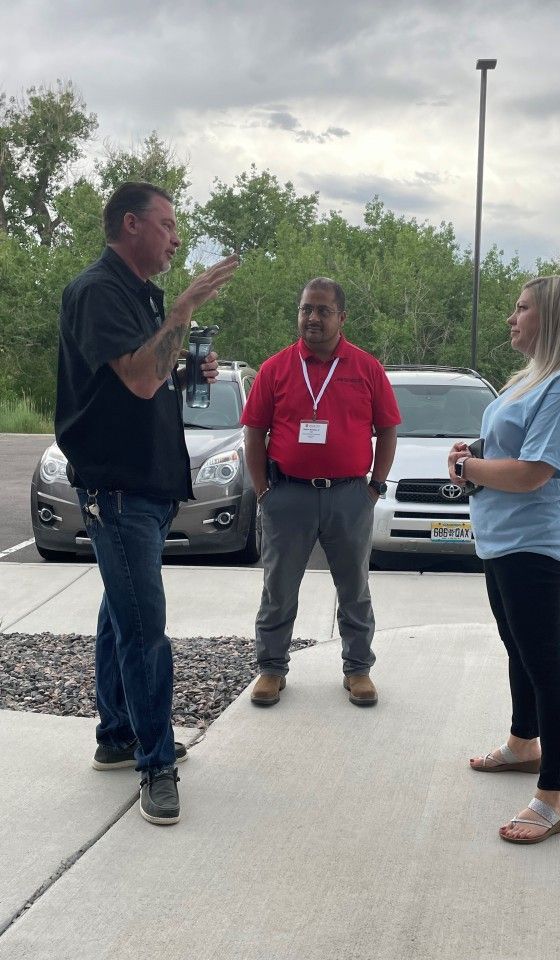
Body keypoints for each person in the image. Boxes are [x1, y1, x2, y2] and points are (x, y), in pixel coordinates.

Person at [55, 181, 237, 825]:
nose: (176, 238)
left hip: (149, 485)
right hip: (118, 489)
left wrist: (188, 371)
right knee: (143, 632)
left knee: (119, 612)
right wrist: (186, 305)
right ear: (131, 224)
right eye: (166, 225)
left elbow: (144, 375)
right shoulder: (98, 289)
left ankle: (116, 736)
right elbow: (135, 377)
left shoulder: (136, 294)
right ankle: (155, 766)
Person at [448, 275, 560, 845]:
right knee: (518, 647)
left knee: (545, 663)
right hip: (502, 538)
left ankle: (554, 794)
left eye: (521, 308)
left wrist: (470, 470)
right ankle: (523, 743)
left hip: (535, 544)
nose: (511, 318)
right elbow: (510, 451)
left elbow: (535, 472)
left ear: (553, 317)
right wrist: (475, 454)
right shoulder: (531, 379)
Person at [241, 277, 401, 707]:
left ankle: (358, 669)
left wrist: (374, 487)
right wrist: (262, 492)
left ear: (342, 317)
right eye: (305, 309)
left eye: (322, 310)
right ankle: (271, 669)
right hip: (287, 496)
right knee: (278, 586)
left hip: (350, 497)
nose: (312, 317)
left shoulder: (367, 369)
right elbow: (254, 433)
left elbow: (387, 431)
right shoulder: (275, 368)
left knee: (354, 587)